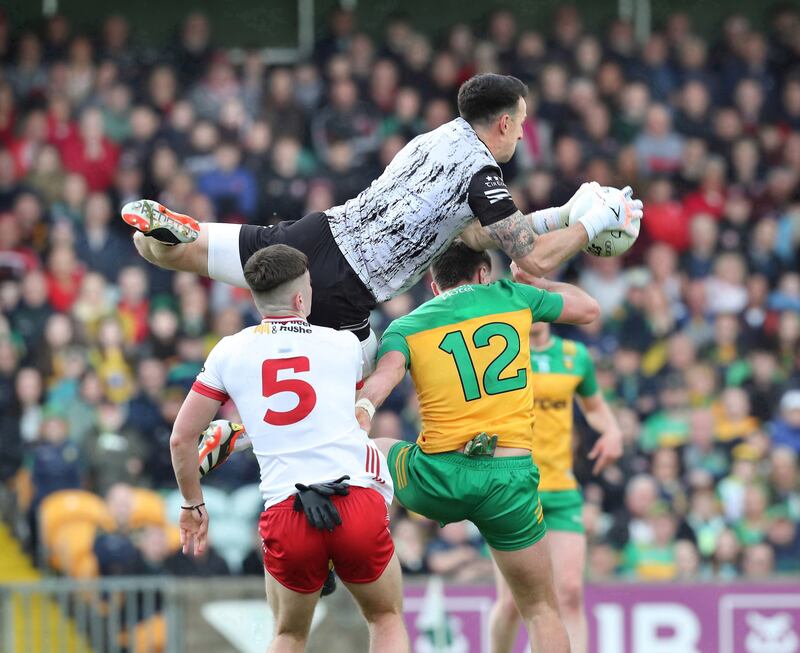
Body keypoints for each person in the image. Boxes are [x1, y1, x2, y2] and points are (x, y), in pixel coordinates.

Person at [122, 73, 642, 371]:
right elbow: (531, 257)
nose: (524, 136)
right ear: (504, 122)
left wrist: (561, 214)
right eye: (523, 124)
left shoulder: (436, 137)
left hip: (315, 233)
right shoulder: (481, 174)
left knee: (167, 253)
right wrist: (594, 221)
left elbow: (472, 232)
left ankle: (174, 226)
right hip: (343, 289)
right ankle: (242, 438)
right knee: (369, 379)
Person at [356, 242, 602, 653]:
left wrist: (363, 409)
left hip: (438, 478)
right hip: (509, 480)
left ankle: (340, 547)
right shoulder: (512, 296)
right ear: (484, 273)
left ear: (434, 286)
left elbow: (387, 375)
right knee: (542, 608)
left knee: (372, 452)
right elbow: (588, 308)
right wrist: (538, 280)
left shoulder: (408, 326)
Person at [169, 244, 409, 653]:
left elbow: (181, 438)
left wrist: (193, 504)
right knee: (384, 617)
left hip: (288, 509)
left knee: (288, 635)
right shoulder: (342, 345)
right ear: (301, 298)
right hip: (355, 499)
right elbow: (336, 414)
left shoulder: (229, 350)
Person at [489, 315, 624, 653]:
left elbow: (594, 407)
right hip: (513, 491)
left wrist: (612, 430)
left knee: (570, 593)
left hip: (562, 489)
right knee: (510, 602)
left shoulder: (575, 356)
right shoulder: (499, 351)